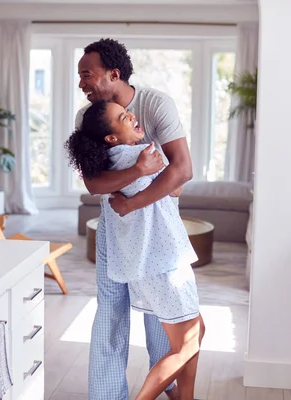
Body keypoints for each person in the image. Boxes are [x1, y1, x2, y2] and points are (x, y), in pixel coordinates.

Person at [73, 38, 195, 400]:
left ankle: (170, 387)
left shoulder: (155, 104)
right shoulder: (88, 117)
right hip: (114, 227)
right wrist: (137, 172)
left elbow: (182, 170)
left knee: (162, 316)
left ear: (113, 74)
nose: (81, 84)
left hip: (155, 228)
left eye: (86, 75)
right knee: (110, 310)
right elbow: (94, 182)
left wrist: (133, 200)